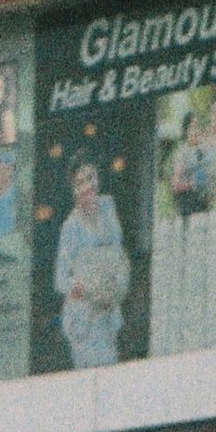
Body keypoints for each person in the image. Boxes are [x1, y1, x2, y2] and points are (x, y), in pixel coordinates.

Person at [52, 157, 131, 368]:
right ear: (73, 189)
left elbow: (117, 253)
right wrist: (86, 288)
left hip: (109, 313)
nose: (88, 186)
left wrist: (115, 285)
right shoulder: (71, 227)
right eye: (80, 182)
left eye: (91, 178)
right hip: (85, 320)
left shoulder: (108, 207)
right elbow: (61, 280)